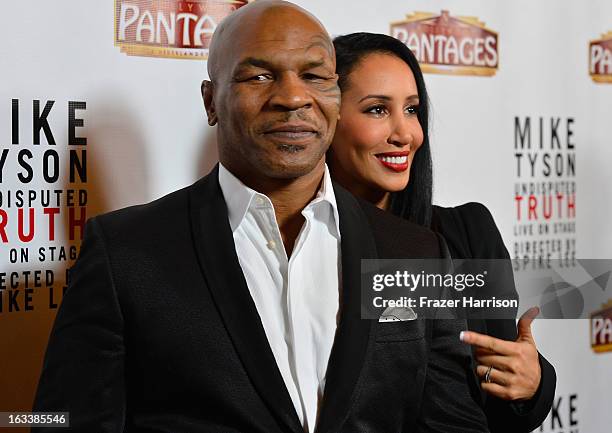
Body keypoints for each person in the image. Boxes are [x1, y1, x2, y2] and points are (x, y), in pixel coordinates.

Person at [33, 2, 490, 432]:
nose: (293, 97)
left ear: (334, 97)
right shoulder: (126, 253)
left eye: (314, 76)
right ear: (211, 101)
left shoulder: (415, 252)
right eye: (258, 76)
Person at [328, 32, 556, 433]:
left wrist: (532, 385)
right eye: (378, 109)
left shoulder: (469, 232)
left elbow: (496, 405)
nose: (405, 134)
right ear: (326, 118)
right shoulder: (304, 247)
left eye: (413, 110)